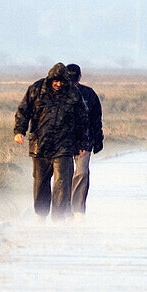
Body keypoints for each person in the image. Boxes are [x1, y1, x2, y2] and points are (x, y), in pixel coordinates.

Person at [13, 62, 89, 217]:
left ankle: (58, 220)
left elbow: (82, 119)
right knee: (40, 183)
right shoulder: (36, 89)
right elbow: (23, 110)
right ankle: (40, 216)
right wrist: (20, 131)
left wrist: (82, 143)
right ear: (50, 79)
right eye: (56, 81)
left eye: (62, 81)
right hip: (40, 145)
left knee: (62, 183)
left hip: (64, 145)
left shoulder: (73, 93)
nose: (59, 84)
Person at [65, 63, 103, 213]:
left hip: (85, 141)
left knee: (81, 173)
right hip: (64, 141)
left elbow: (96, 119)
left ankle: (77, 211)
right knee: (64, 176)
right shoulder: (58, 93)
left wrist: (97, 140)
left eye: (74, 79)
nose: (73, 82)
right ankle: (64, 210)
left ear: (80, 77)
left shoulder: (89, 94)